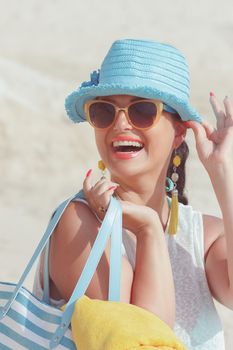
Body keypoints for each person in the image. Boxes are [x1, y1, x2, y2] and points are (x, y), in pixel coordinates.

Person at [33, 39, 233, 349]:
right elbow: (145, 336)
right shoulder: (78, 225)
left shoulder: (204, 238)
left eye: (141, 110)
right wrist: (148, 229)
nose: (121, 123)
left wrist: (223, 175)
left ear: (179, 131)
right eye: (104, 111)